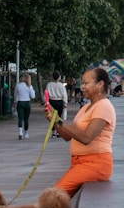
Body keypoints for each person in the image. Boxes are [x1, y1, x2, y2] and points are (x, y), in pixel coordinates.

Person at [46, 66, 115, 196]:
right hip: (79, 162)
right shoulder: (86, 107)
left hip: (95, 163)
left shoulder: (104, 106)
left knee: (54, 197)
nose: (82, 87)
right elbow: (68, 135)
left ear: (100, 84)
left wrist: (60, 121)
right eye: (82, 83)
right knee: (57, 200)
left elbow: (86, 138)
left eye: (86, 83)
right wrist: (54, 119)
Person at [14, 72, 36, 140]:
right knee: (26, 119)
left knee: (20, 118)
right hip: (27, 103)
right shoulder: (29, 86)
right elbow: (33, 96)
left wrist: (15, 101)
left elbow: (15, 95)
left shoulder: (18, 85)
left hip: (20, 102)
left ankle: (20, 132)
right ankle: (26, 133)